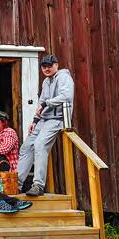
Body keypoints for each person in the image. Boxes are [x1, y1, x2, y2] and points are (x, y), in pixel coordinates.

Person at [16, 54, 74, 197]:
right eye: (44, 66)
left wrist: (46, 103)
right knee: (26, 147)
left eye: (49, 65)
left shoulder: (63, 77)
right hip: (43, 120)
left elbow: (66, 96)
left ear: (56, 65)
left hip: (57, 119)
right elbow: (41, 101)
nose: (47, 68)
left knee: (40, 145)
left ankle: (38, 185)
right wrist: (35, 121)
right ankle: (16, 184)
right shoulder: (46, 82)